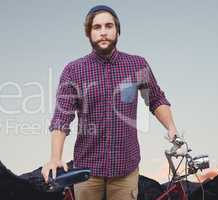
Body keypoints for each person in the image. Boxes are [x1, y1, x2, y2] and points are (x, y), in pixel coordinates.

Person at [41, 5, 179, 200]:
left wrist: (171, 126)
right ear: (89, 33)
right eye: (97, 27)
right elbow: (61, 118)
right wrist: (55, 157)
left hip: (126, 168)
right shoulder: (73, 70)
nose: (103, 32)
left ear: (117, 30)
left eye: (109, 26)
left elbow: (155, 98)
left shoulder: (137, 64)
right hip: (87, 170)